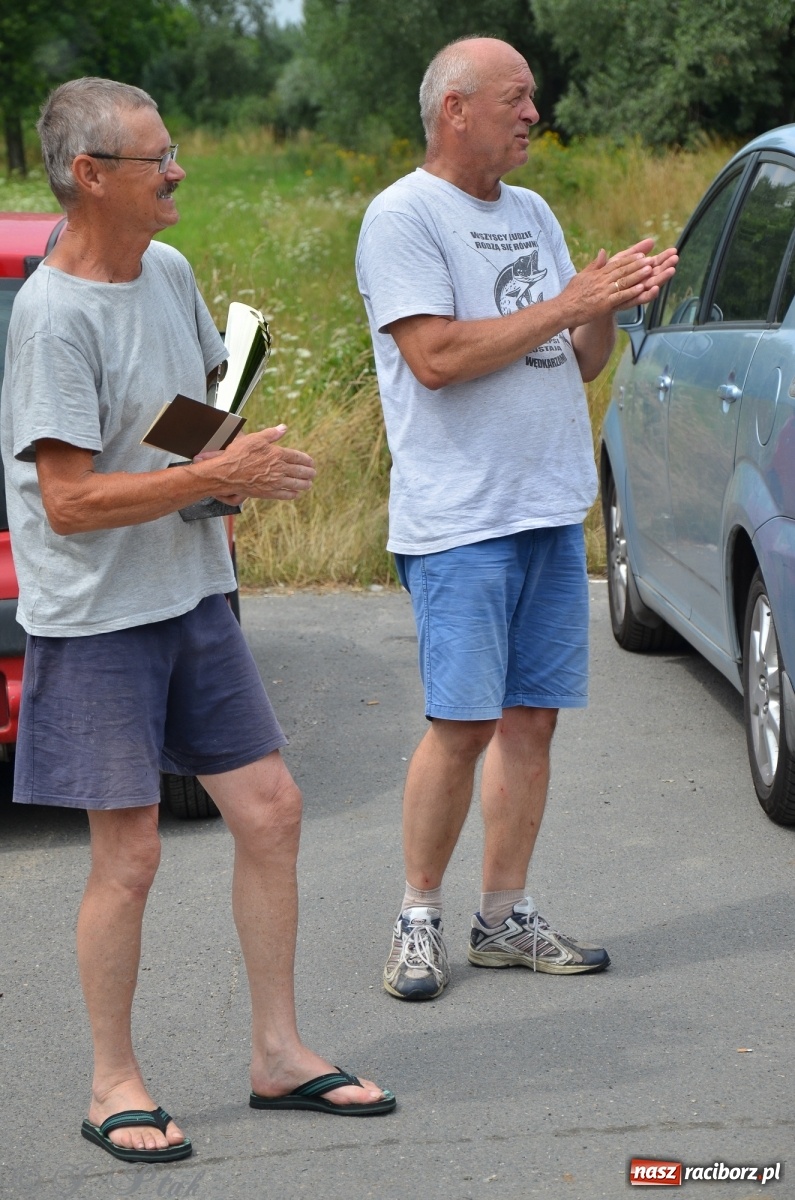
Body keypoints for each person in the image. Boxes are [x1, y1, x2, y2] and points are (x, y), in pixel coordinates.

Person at [1, 77, 395, 1164]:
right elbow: (71, 502)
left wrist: (228, 476)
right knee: (127, 859)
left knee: (270, 810)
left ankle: (279, 1055)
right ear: (90, 177)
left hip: (191, 593)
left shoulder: (168, 270)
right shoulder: (49, 318)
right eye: (155, 159)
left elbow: (185, 424)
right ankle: (112, 1082)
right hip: (97, 622)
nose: (178, 172)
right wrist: (206, 481)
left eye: (173, 152)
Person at [356, 37, 677, 1001]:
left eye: (532, 97)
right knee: (460, 725)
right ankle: (418, 918)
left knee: (529, 723)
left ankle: (504, 917)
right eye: (517, 98)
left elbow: (576, 360)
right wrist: (566, 301)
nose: (534, 113)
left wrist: (607, 303)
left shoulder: (531, 211)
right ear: (455, 109)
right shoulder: (402, 215)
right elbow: (438, 358)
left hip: (545, 507)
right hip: (460, 519)